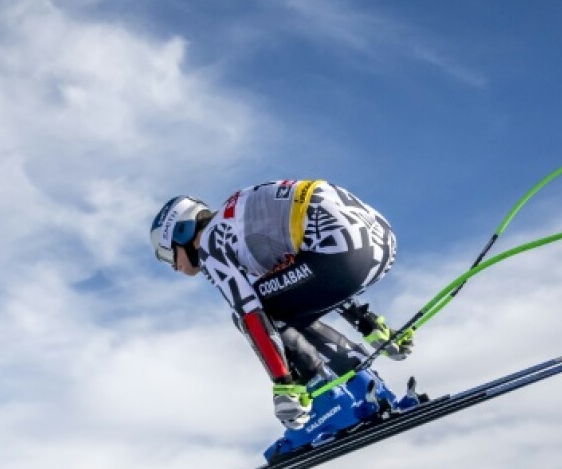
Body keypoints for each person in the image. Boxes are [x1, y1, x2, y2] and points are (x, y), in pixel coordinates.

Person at [150, 179, 412, 430]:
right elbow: (323, 273)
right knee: (285, 308)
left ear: (181, 232)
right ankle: (372, 390)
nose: (175, 266)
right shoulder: (243, 219)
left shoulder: (211, 243)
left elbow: (249, 312)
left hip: (341, 252)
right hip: (380, 243)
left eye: (167, 255)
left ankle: (327, 403)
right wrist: (367, 324)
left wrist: (283, 384)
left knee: (261, 311)